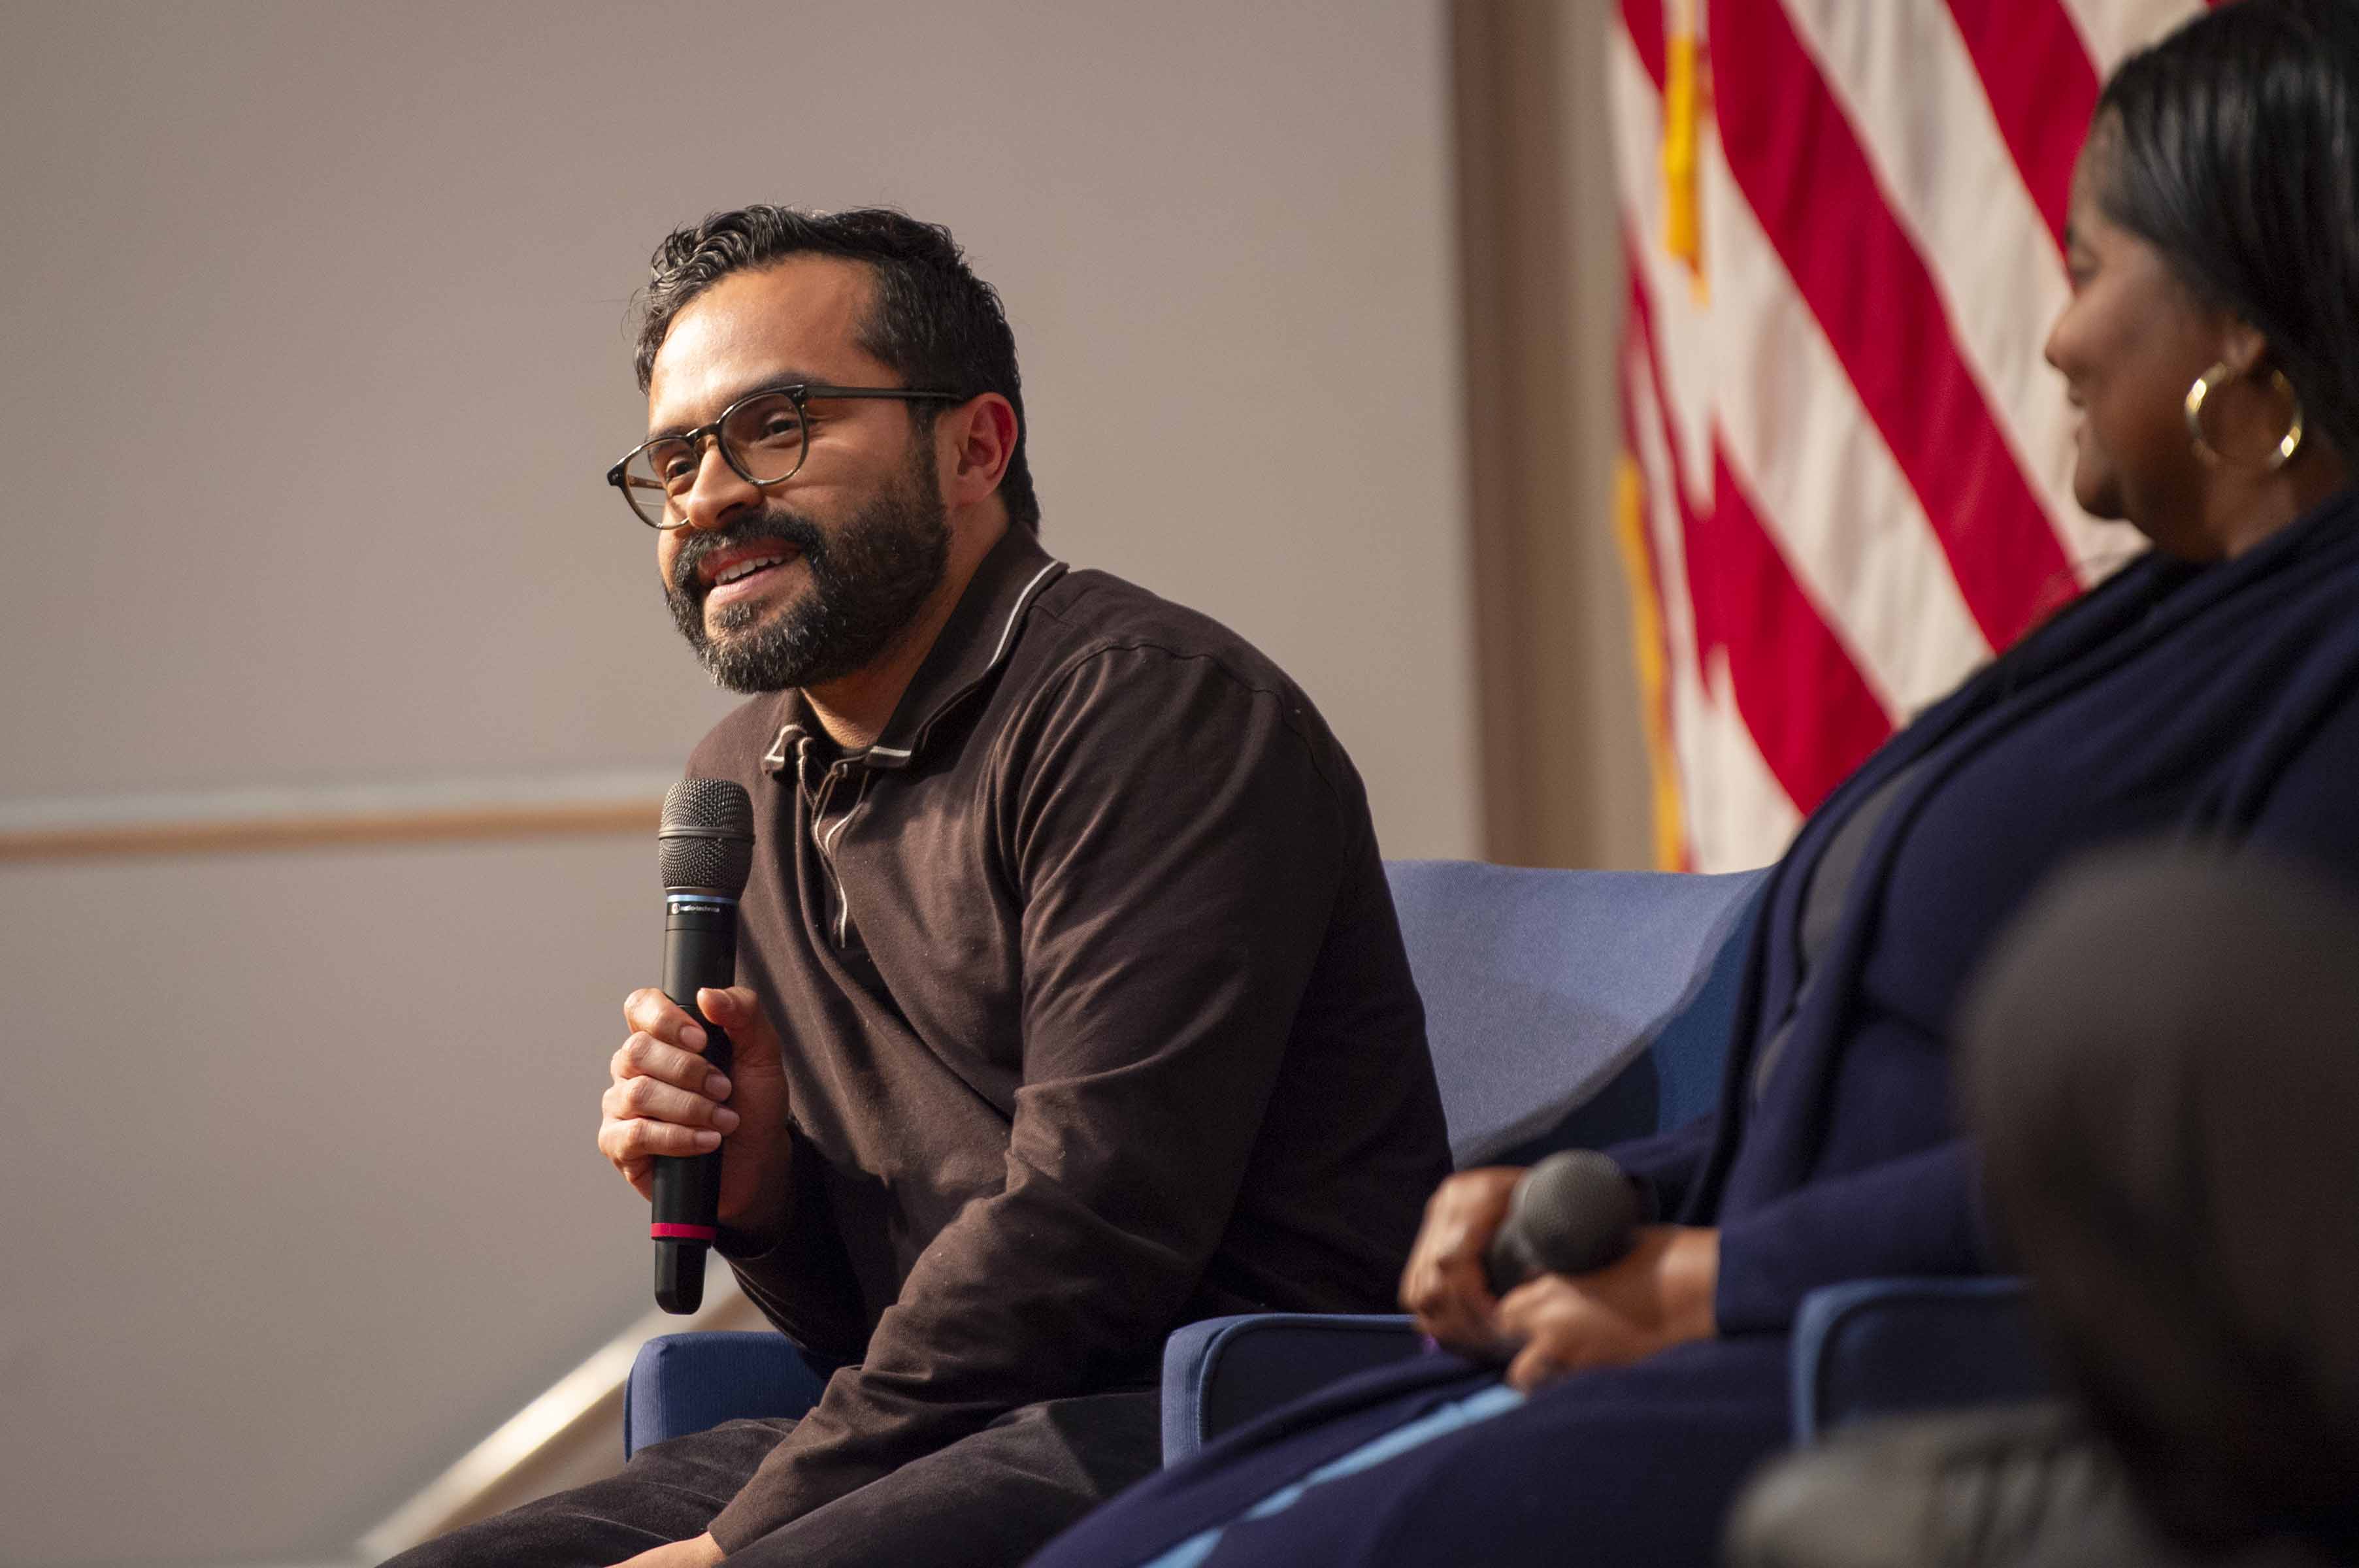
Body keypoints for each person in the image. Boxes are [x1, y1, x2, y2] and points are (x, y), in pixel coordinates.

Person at [1028, 3, 2359, 1563]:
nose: (2052, 338)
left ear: (2236, 322)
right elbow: (1833, 1098)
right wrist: (1563, 1192)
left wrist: (1713, 1279)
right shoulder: (2149, 616)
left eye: (2083, 268)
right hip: (1725, 1320)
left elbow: (2211, 1166)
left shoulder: (2327, 656)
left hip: (1898, 1368)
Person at [386, 207, 1449, 1568]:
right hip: (959, 1418)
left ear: (974, 446)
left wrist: (736, 1548)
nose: (707, 497)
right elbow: (862, 1328)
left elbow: (1092, 1234)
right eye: (672, 458)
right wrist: (767, 1195)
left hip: (1216, 1416)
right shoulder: (744, 773)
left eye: (776, 426)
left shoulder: (1147, 714)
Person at [1726, 846, 2359, 1568]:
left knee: (2110, 966)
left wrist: (1725, 1276)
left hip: (1854, 1293)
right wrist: (1644, 1187)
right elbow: (1776, 1054)